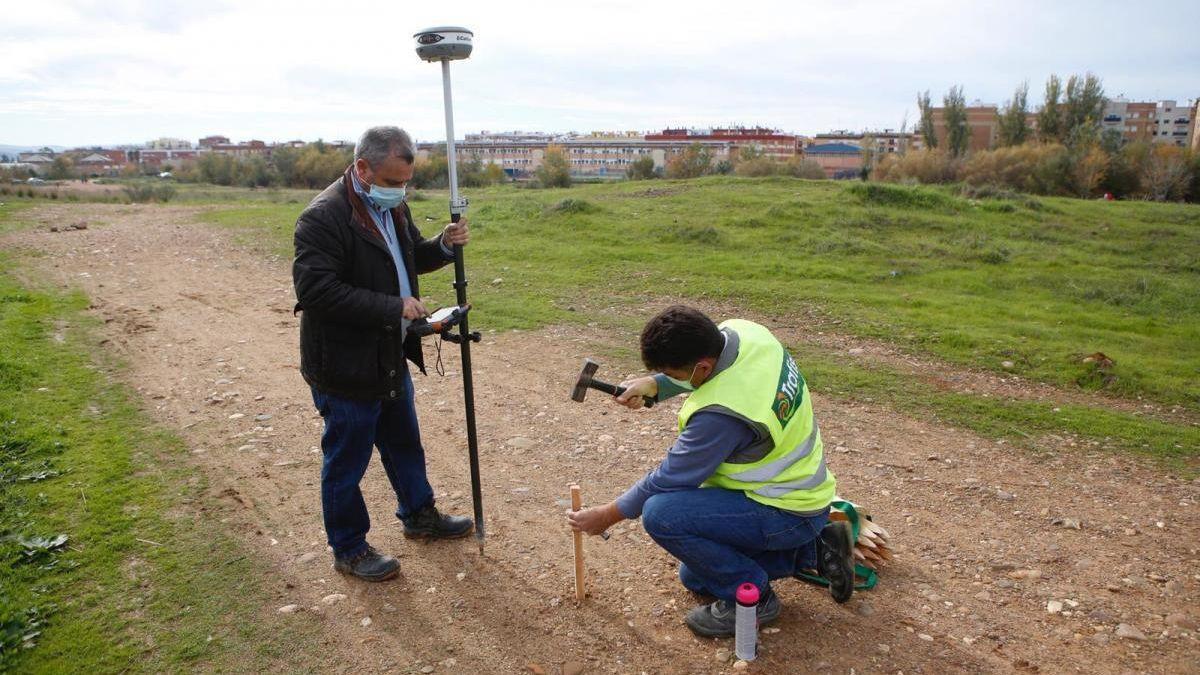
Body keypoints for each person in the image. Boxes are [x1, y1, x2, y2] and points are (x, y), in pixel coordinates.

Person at [567, 305, 855, 637]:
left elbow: (668, 479)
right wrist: (657, 384)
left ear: (701, 366)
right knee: (695, 576)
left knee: (663, 514)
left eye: (675, 374)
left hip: (785, 508)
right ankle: (813, 549)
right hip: (800, 492)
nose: (675, 380)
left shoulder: (723, 416)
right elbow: (715, 372)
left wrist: (606, 515)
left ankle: (756, 600)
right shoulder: (745, 332)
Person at [293, 126, 473, 582]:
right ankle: (349, 547)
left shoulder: (392, 206)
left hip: (388, 352)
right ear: (362, 169)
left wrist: (442, 247)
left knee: (403, 442)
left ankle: (419, 515)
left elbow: (408, 255)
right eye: (392, 182)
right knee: (346, 461)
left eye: (405, 182)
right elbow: (316, 292)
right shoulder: (322, 217)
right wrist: (393, 306)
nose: (400, 191)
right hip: (344, 364)